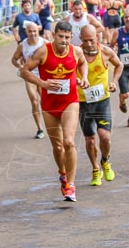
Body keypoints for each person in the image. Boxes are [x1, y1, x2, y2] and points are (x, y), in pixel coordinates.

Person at [20, 21, 89, 202]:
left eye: (67, 37)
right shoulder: (43, 51)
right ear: (53, 35)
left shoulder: (76, 51)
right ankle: (63, 174)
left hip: (70, 102)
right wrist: (43, 84)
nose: (64, 41)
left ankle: (71, 185)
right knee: (58, 147)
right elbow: (24, 71)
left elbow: (83, 63)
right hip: (49, 105)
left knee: (69, 142)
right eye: (61, 37)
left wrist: (84, 77)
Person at [77, 25, 123, 186]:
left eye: (92, 40)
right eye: (85, 41)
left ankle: (105, 160)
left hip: (102, 101)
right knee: (90, 140)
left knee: (105, 137)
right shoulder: (76, 53)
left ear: (97, 37)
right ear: (80, 39)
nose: (89, 44)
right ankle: (95, 169)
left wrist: (114, 81)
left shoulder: (105, 51)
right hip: (83, 103)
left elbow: (119, 65)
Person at [11, 20, 46, 139]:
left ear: (38, 31)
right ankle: (40, 128)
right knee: (34, 101)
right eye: (30, 31)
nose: (33, 33)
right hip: (29, 76)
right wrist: (21, 67)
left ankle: (52, 124)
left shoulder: (44, 43)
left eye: (35, 31)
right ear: (26, 32)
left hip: (43, 76)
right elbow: (14, 59)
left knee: (45, 102)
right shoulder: (22, 45)